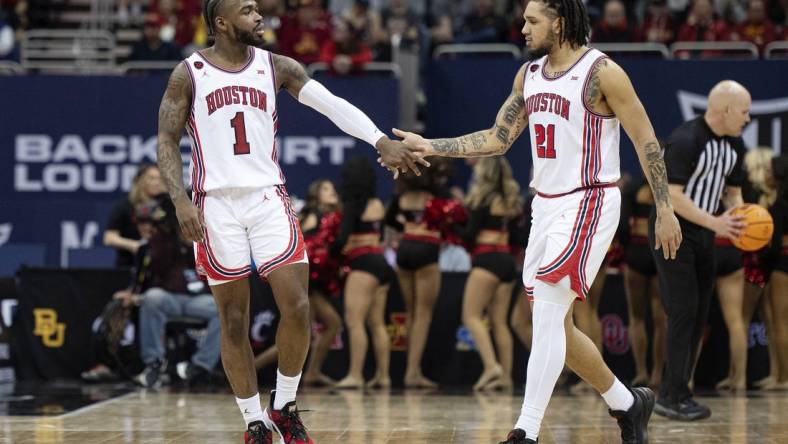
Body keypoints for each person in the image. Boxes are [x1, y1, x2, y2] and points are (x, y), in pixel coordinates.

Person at [394, 0, 682, 441]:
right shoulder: (527, 75)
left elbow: (646, 141)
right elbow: (496, 139)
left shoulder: (602, 72)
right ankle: (627, 403)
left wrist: (664, 208)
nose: (523, 28)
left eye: (532, 20)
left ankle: (524, 431)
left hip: (590, 200)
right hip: (545, 206)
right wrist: (430, 145)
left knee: (547, 308)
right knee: (556, 327)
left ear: (559, 22)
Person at [155, 0, 427, 441]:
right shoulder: (189, 73)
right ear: (221, 23)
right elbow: (167, 140)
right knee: (235, 319)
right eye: (247, 11)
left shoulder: (276, 66)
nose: (259, 16)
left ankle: (284, 404)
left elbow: (332, 105)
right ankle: (253, 422)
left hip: (267, 197)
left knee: (298, 306)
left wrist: (379, 139)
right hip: (214, 204)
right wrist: (179, 200)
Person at [650, 80, 750, 421]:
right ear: (725, 110)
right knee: (682, 311)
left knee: (699, 314)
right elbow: (672, 195)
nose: (748, 118)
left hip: (705, 231)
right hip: (672, 229)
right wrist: (716, 223)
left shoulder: (735, 144)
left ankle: (680, 392)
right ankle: (668, 395)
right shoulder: (687, 138)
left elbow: (732, 193)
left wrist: (740, 218)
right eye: (745, 111)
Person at [128, 194, 222, 388]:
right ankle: (154, 363)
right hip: (169, 295)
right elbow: (154, 268)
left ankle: (201, 366)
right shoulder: (161, 237)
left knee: (224, 310)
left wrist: (193, 245)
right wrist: (170, 237)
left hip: (198, 298)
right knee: (152, 298)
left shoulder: (206, 233)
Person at [454, 157, 523, 391]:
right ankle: (506, 377)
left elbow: (469, 236)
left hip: (486, 261)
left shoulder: (483, 199)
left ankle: (491, 366)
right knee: (499, 321)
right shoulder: (509, 201)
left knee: (471, 316)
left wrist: (450, 223)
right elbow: (516, 238)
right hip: (506, 262)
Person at [332, 156, 394, 389]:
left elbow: (341, 240)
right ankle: (383, 376)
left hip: (363, 265)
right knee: (377, 323)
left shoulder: (352, 206)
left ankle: (356, 375)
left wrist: (334, 250)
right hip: (381, 264)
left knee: (355, 321)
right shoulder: (377, 203)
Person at [385, 168, 444, 389]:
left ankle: (413, 370)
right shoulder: (435, 196)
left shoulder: (401, 196)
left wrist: (407, 227)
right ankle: (412, 372)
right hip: (427, 248)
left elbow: (389, 219)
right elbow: (451, 220)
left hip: (405, 248)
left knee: (411, 313)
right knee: (423, 315)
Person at [620, 178, 666, 388]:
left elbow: (621, 225)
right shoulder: (669, 189)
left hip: (636, 251)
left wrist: (624, 247)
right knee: (660, 320)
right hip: (659, 251)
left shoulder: (633, 188)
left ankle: (641, 372)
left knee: (636, 317)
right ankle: (657, 374)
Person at [104, 164, 164, 268]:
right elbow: (109, 238)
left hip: (163, 267)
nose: (157, 182)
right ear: (139, 180)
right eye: (151, 178)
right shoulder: (125, 206)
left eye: (160, 178)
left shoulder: (169, 207)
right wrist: (135, 246)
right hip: (129, 265)